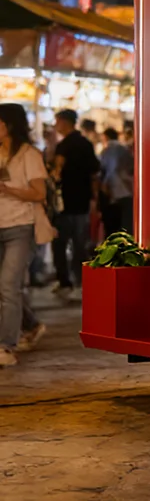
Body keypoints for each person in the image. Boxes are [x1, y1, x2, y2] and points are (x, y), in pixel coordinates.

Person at [0, 104, 49, 367]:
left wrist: (8, 189)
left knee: (8, 286)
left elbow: (39, 193)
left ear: (9, 125)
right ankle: (31, 324)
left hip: (20, 226)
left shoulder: (29, 155)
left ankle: (6, 346)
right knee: (4, 288)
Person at [52, 109, 99, 299]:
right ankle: (82, 282)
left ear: (65, 122)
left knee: (60, 243)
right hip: (82, 201)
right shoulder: (86, 144)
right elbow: (94, 173)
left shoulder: (63, 146)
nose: (56, 126)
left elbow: (57, 172)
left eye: (57, 122)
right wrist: (94, 199)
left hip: (64, 203)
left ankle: (65, 281)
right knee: (80, 244)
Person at [99, 127, 134, 235]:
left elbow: (109, 169)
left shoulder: (108, 150)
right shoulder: (123, 149)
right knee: (126, 224)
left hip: (115, 192)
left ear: (105, 137)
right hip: (127, 191)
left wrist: (105, 185)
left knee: (114, 226)